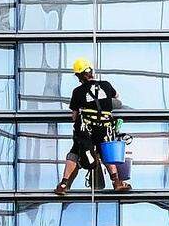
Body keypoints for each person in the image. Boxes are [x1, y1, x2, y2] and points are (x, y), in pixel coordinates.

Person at [54, 58, 131, 195]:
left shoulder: (77, 91)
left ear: (79, 76)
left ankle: (64, 184)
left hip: (86, 130)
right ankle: (116, 182)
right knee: (106, 152)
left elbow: (74, 115)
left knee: (75, 152)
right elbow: (117, 98)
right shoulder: (106, 85)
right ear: (91, 72)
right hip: (104, 128)